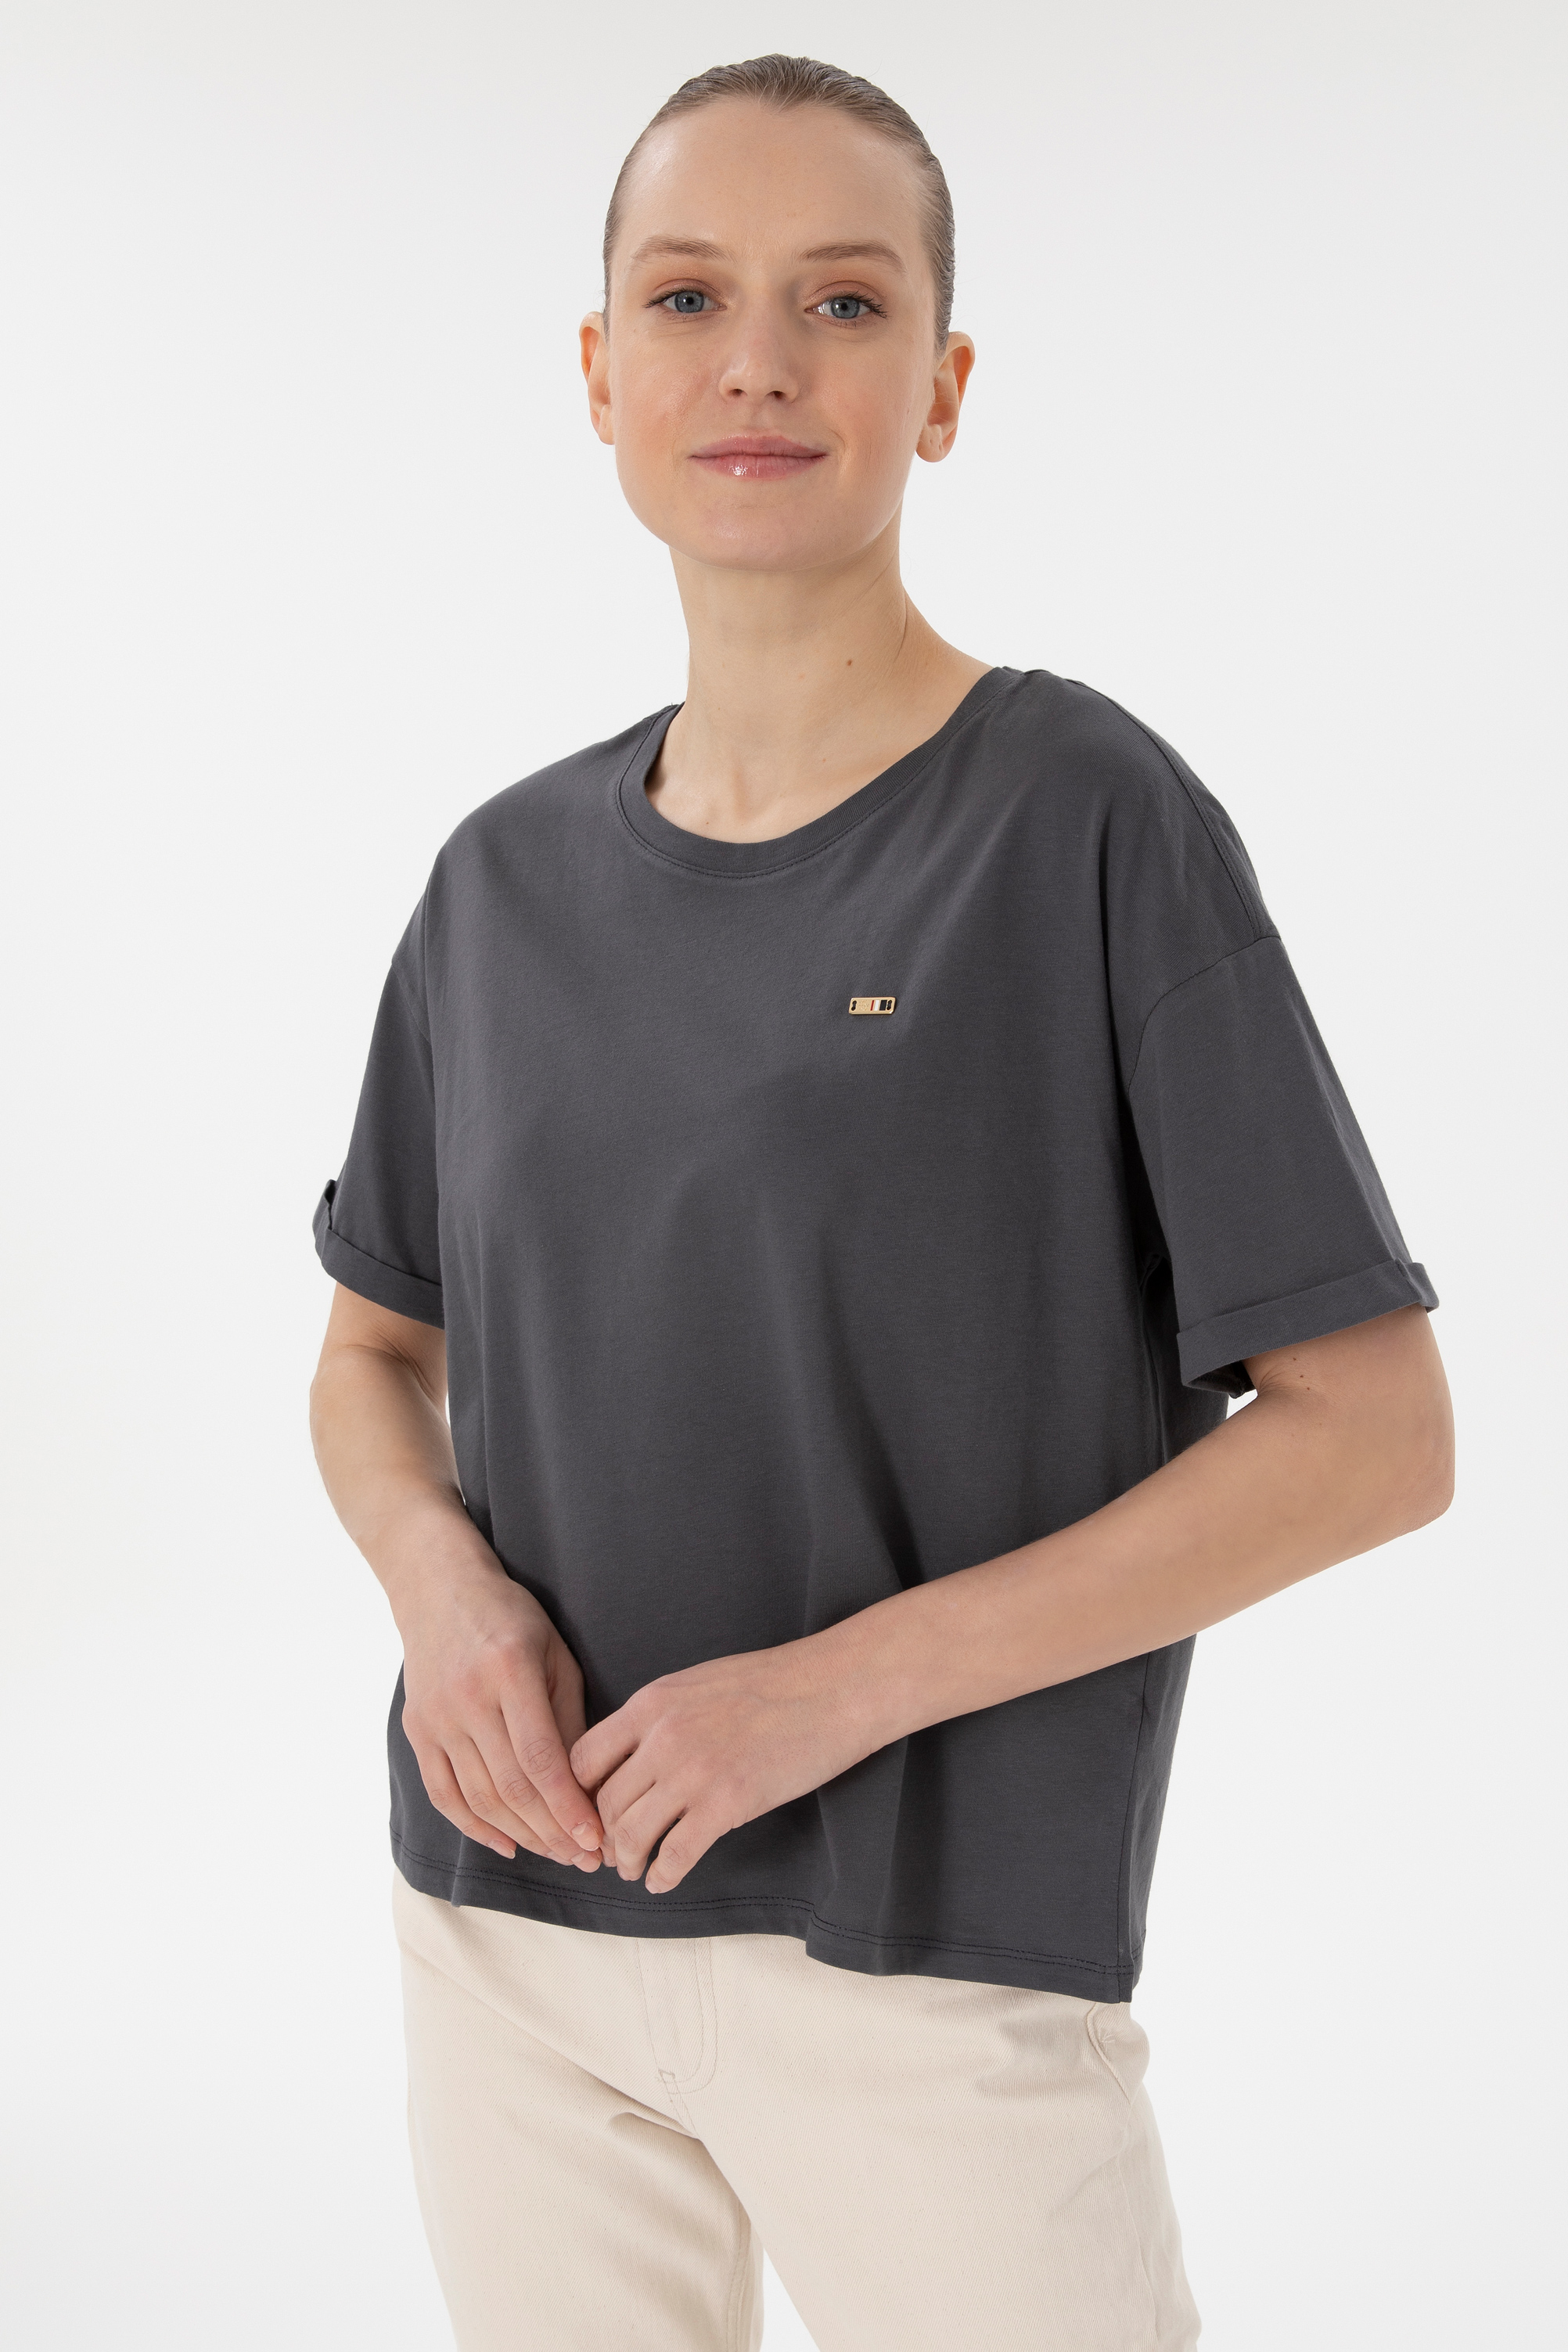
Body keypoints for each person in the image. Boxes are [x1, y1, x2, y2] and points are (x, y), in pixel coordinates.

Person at [308, 53, 1452, 2352]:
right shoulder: (498, 881)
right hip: (509, 1930)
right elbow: (371, 1357)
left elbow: (1373, 1436)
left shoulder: (1086, 820)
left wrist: (823, 1699)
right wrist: (443, 1597)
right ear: (599, 375)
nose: (757, 360)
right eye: (687, 297)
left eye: (840, 303)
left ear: (939, 386)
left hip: (919, 1962)